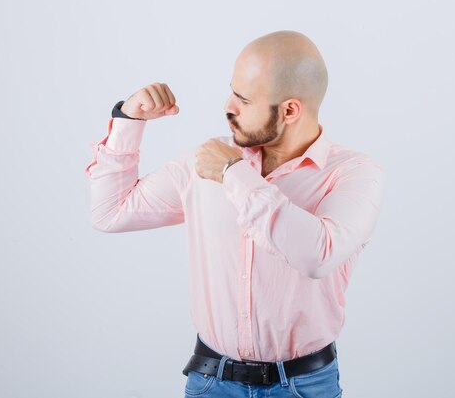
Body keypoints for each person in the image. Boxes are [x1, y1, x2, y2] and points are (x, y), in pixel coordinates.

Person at [84, 30, 385, 398]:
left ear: (290, 110)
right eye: (232, 91)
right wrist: (129, 120)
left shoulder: (355, 173)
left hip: (305, 387)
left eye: (243, 99)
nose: (228, 106)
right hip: (212, 381)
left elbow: (316, 255)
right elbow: (110, 213)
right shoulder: (205, 162)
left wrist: (234, 174)